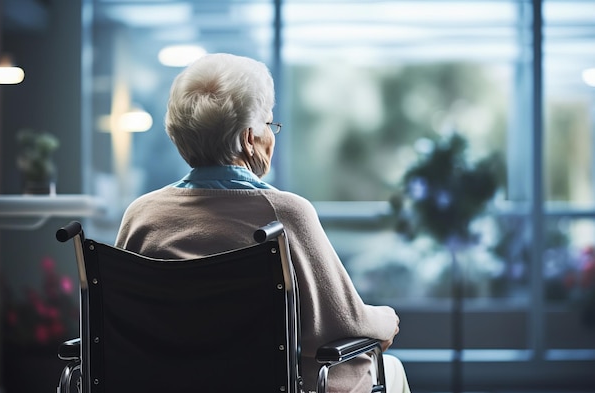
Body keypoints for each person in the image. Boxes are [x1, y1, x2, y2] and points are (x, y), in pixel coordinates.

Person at [115, 53, 411, 393]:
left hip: (166, 383)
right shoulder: (285, 213)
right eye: (269, 125)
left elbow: (124, 322)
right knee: (391, 367)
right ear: (247, 139)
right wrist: (385, 319)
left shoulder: (142, 215)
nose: (272, 136)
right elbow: (345, 322)